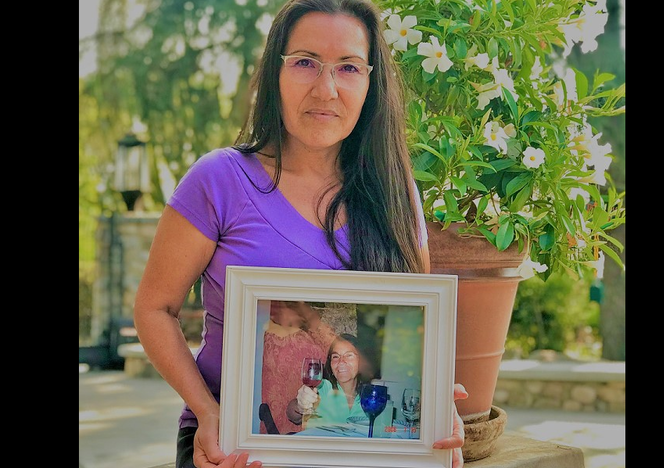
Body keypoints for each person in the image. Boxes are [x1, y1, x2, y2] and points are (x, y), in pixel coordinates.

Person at [132, 0, 467, 467]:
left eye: (349, 67)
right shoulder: (219, 180)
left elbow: (414, 330)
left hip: (364, 447)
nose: (326, 89)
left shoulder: (397, 194)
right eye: (306, 63)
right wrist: (209, 414)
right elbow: (154, 308)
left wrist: (435, 404)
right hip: (237, 448)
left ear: (371, 83)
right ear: (276, 73)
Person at [259, 300, 337, 435]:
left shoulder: (314, 333)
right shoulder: (263, 331)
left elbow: (337, 351)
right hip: (276, 416)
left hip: (309, 416)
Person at [286, 333, 373, 428]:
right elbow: (292, 414)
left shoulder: (370, 397)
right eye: (335, 356)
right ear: (330, 364)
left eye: (349, 355)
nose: (341, 361)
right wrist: (300, 405)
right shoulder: (322, 387)